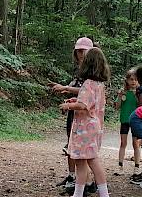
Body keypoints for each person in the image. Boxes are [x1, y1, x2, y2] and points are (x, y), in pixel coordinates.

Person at [60, 47, 111, 197]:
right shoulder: (99, 84)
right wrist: (74, 100)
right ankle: (78, 193)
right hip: (94, 126)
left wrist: (68, 105)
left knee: (92, 161)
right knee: (81, 162)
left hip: (85, 128)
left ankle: (104, 194)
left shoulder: (88, 83)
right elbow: (90, 102)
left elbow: (84, 105)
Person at [49, 37, 94, 193]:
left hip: (86, 115)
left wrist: (65, 88)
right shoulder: (80, 68)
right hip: (75, 111)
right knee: (71, 143)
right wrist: (69, 100)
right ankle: (72, 176)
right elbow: (79, 91)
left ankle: (86, 182)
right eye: (78, 51)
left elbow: (88, 92)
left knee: (83, 149)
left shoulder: (92, 70)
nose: (80, 54)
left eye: (83, 51)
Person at [113, 69, 141, 169]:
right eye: (131, 79)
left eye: (136, 80)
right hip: (125, 120)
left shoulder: (139, 93)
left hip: (136, 121)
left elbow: (141, 106)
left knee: (136, 144)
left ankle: (137, 167)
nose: (133, 82)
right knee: (123, 143)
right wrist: (120, 96)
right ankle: (120, 166)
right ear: (127, 80)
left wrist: (137, 95)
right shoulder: (123, 92)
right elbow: (117, 107)